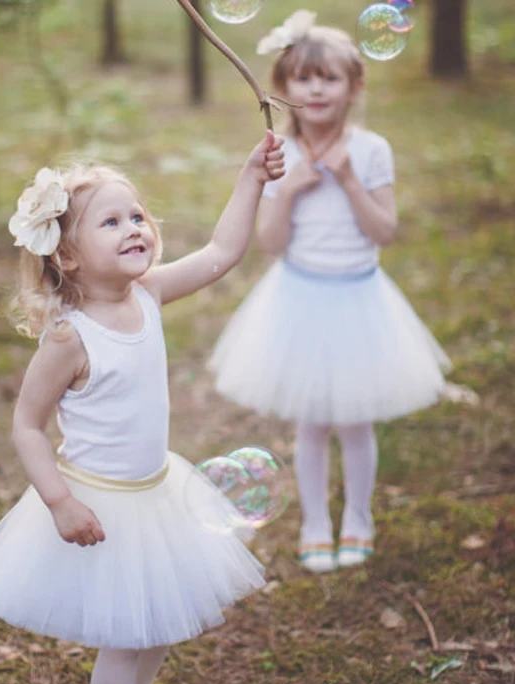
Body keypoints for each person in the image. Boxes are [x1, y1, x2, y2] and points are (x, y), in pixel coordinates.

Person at [0, 131, 284, 684]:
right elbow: (26, 425)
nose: (135, 227)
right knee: (126, 636)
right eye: (112, 221)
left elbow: (223, 252)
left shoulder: (150, 294)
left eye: (137, 216)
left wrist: (251, 175)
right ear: (69, 255)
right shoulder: (71, 337)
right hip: (101, 503)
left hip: (158, 490)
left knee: (160, 617)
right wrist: (58, 501)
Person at [208, 10, 451, 574]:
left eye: (329, 77)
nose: (315, 88)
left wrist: (346, 179)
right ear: (283, 87)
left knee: (356, 420)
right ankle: (316, 522)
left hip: (359, 298)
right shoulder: (280, 154)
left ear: (354, 86)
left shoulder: (370, 151)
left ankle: (359, 517)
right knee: (311, 420)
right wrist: (289, 189)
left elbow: (384, 231)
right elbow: (270, 242)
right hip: (300, 300)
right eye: (301, 77)